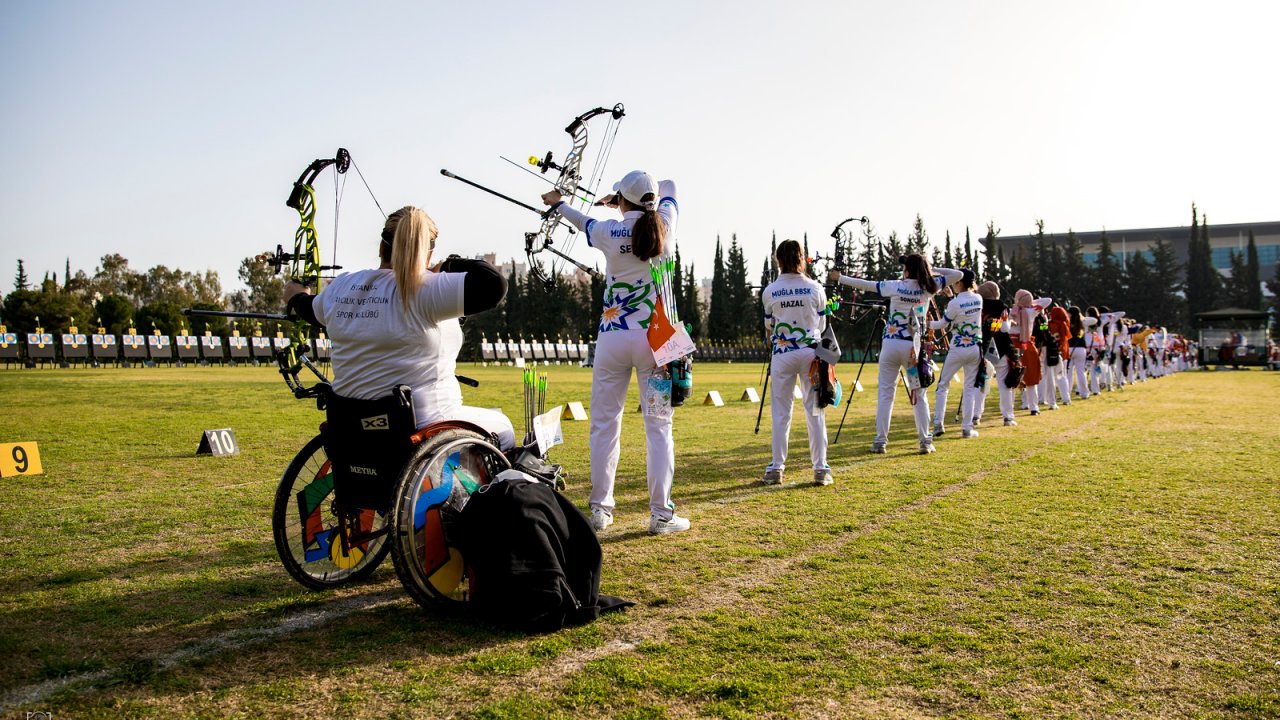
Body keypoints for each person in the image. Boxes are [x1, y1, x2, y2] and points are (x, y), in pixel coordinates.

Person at [282, 205, 516, 449]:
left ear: (381, 247)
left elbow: (309, 309)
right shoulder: (424, 288)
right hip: (424, 427)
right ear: (426, 252)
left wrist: (294, 296)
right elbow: (494, 284)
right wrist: (448, 265)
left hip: (350, 426)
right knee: (502, 426)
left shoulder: (342, 286)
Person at [541, 170, 690, 535]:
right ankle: (660, 514)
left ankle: (601, 510)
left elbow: (580, 219)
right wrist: (632, 202)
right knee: (659, 428)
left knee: (605, 425)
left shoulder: (608, 231)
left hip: (612, 340)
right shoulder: (664, 225)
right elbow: (669, 189)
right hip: (656, 344)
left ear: (622, 200)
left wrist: (559, 203)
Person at [829, 254, 963, 454]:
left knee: (885, 394)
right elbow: (958, 274)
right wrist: (932, 270)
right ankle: (925, 441)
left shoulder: (895, 285)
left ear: (907, 270)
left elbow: (866, 284)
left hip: (891, 345)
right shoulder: (929, 285)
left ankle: (880, 441)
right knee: (918, 395)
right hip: (912, 349)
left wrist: (840, 278)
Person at [760, 240, 832, 486]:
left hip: (782, 354)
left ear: (778, 260)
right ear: (802, 258)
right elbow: (822, 326)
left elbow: (769, 325)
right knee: (815, 411)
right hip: (811, 354)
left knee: (781, 414)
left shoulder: (770, 291)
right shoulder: (815, 288)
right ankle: (820, 468)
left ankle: (777, 468)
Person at [930, 268, 983, 439]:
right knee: (969, 388)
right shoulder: (978, 299)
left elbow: (941, 325)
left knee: (943, 385)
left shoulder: (954, 303)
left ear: (959, 282)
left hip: (958, 348)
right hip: (975, 348)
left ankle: (938, 423)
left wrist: (925, 324)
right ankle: (967, 428)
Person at [977, 281, 1019, 426]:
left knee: (982, 383)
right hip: (1001, 348)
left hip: (982, 348)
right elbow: (1004, 329)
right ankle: (1008, 417)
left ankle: (976, 415)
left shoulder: (977, 305)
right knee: (1004, 385)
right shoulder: (1001, 307)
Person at [1066, 306, 1098, 400]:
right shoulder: (1083, 322)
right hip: (1081, 349)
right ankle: (1084, 393)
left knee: (1069, 372)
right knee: (1081, 372)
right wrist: (1082, 317)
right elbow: (1094, 320)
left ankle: (1067, 393)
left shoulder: (1067, 321)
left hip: (1069, 348)